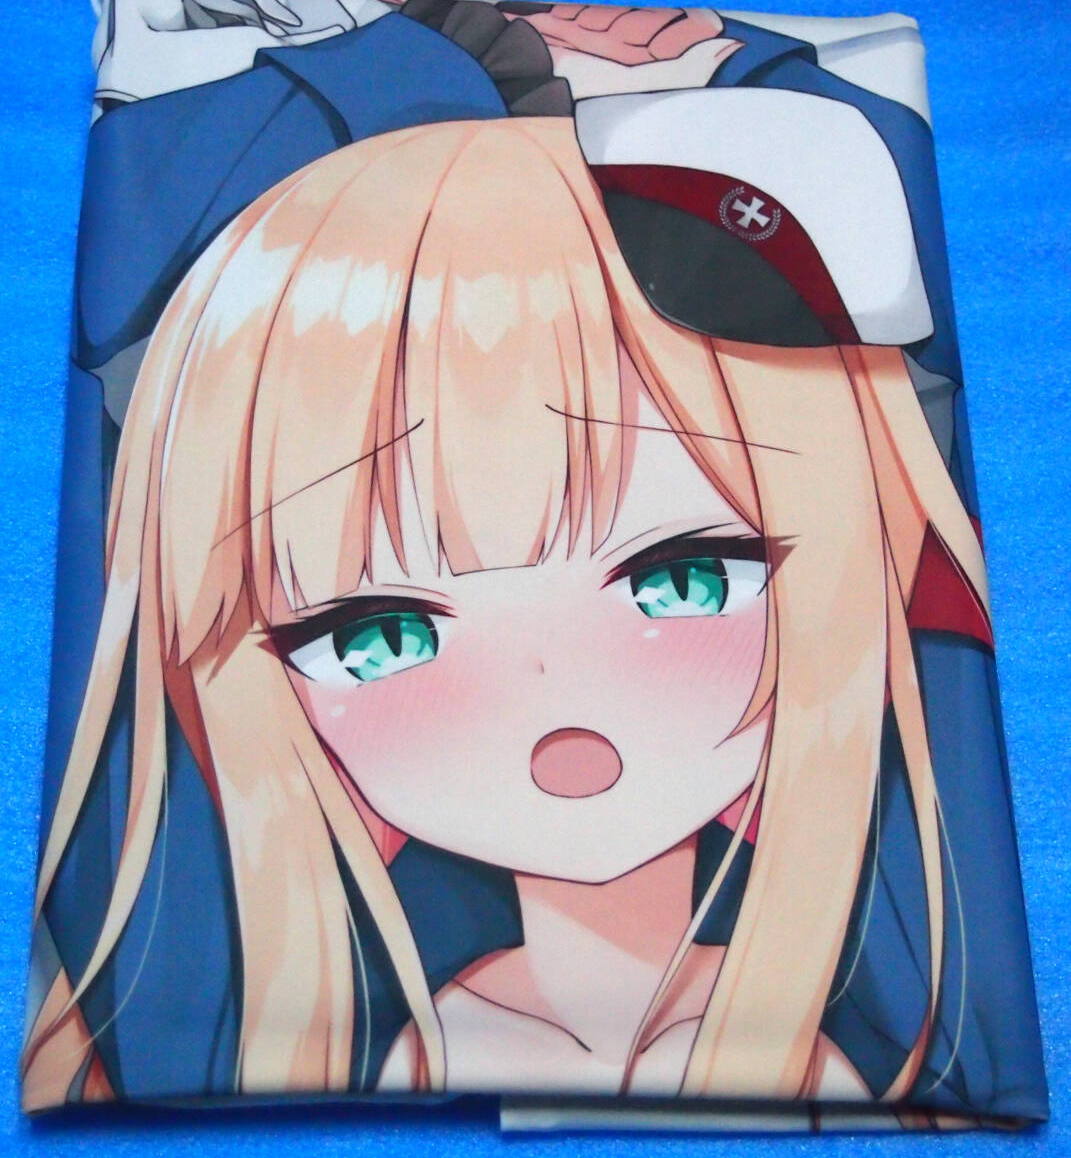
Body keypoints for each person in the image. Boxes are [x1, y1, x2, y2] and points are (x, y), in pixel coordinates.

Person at [22, 112, 990, 1113]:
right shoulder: (389, 1036)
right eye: (379, 635)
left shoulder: (905, 1021)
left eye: (685, 579)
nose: (556, 714)